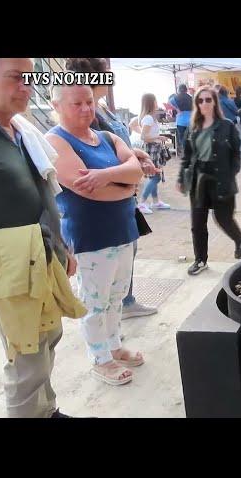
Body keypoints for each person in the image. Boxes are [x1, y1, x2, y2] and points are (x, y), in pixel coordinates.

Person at [0, 57, 86, 418]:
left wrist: (62, 248)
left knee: (49, 339)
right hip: (11, 266)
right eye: (16, 78)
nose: (26, 86)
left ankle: (46, 410)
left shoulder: (20, 130)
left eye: (29, 78)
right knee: (26, 361)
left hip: (43, 254)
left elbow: (43, 192)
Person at [47, 83, 146, 386]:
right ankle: (100, 358)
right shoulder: (55, 140)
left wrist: (105, 175)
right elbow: (85, 188)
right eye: (77, 104)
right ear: (57, 106)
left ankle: (114, 345)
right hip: (90, 235)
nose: (86, 109)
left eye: (88, 102)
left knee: (115, 296)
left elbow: (135, 171)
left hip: (123, 229)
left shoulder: (106, 136)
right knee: (95, 301)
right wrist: (127, 185)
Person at [64, 58, 158, 320]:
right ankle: (107, 331)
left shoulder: (101, 108)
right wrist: (128, 171)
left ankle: (123, 305)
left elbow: (119, 146)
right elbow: (99, 155)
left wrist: (136, 156)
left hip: (124, 194)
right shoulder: (85, 113)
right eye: (105, 72)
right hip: (104, 204)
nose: (110, 76)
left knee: (126, 254)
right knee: (101, 278)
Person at [176, 86, 241, 275]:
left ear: (215, 102)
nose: (204, 103)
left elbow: (236, 155)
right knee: (197, 223)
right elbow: (186, 156)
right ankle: (201, 260)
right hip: (199, 179)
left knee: (223, 218)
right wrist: (181, 177)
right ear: (196, 104)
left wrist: (231, 174)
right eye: (200, 100)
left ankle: (239, 240)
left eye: (208, 99)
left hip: (221, 177)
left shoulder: (227, 126)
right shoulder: (193, 127)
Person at [138, 93, 171, 213]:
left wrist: (158, 137)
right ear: (151, 103)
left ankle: (156, 201)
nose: (157, 103)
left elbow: (145, 134)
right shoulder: (148, 118)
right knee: (155, 176)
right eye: (155, 101)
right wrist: (158, 137)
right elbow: (144, 136)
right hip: (152, 149)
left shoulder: (147, 117)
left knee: (154, 176)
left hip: (153, 148)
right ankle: (142, 203)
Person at [169, 84, 193, 157]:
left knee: (182, 138)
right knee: (190, 137)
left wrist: (177, 109)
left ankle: (185, 153)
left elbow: (170, 101)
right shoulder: (191, 97)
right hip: (190, 120)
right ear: (186, 90)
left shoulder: (175, 97)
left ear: (178, 90)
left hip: (180, 121)